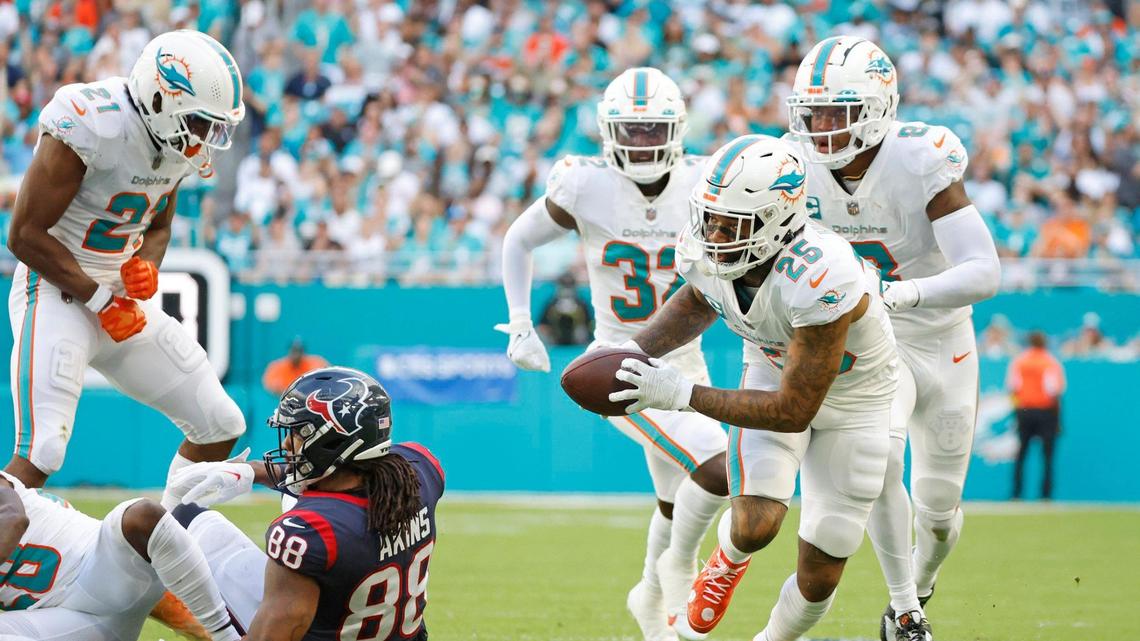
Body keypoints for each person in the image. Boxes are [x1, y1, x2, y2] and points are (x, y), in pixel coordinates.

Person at [610, 135, 898, 641]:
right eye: (711, 218)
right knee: (754, 525)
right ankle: (725, 562)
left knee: (824, 562)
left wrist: (682, 393)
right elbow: (699, 300)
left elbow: (793, 411)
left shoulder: (821, 273)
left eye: (732, 224)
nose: (716, 233)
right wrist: (628, 354)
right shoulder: (709, 247)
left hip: (856, 402)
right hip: (770, 369)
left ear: (778, 221)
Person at [496, 67, 729, 640]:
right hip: (619, 361)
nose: (643, 143)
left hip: (687, 359)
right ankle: (677, 574)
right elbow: (518, 239)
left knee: (676, 500)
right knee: (721, 463)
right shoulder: (585, 182)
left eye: (654, 131)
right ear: (608, 131)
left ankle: (648, 601)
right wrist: (521, 324)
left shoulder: (707, 179)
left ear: (676, 131)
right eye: (633, 130)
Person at [784, 36, 1001, 640]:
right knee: (878, 456)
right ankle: (906, 611)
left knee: (938, 512)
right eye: (813, 112)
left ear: (878, 107)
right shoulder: (793, 169)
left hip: (943, 338)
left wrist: (906, 294)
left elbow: (985, 270)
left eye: (837, 111)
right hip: (878, 342)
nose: (821, 127)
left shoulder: (918, 158)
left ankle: (921, 583)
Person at [4, 29, 247, 511]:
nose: (203, 138)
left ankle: (166, 559)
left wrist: (146, 268)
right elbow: (25, 234)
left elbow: (159, 222)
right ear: (161, 99)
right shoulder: (93, 121)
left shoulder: (174, 142)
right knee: (42, 451)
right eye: (197, 122)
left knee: (221, 424)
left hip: (119, 302)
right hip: (57, 292)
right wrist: (101, 299)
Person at [166, 367, 444, 641]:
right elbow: (345, 473)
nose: (287, 443)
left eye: (298, 432)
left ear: (332, 441)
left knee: (179, 519)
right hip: (397, 631)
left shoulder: (311, 530)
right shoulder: (419, 471)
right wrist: (253, 471)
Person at [0, 472, 242, 641]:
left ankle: (228, 637)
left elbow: (13, 518)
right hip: (63, 620)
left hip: (103, 567)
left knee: (142, 514)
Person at [1007, 332, 1065, 500]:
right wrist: (1058, 419)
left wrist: (1017, 413)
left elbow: (1013, 387)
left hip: (1024, 411)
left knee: (1021, 454)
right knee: (1047, 456)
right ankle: (1045, 494)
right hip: (1046, 411)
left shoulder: (1019, 361)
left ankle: (1016, 493)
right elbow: (1054, 390)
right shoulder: (1050, 362)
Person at [537, 271, 593, 346]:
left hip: (578, 341)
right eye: (564, 285)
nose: (567, 290)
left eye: (569, 286)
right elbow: (542, 325)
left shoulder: (581, 303)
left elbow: (589, 323)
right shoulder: (552, 303)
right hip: (555, 341)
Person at [262, 336, 330, 395]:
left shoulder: (317, 364)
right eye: (294, 351)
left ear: (303, 352)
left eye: (299, 351)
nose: (296, 354)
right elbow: (271, 387)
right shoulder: (276, 367)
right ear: (289, 351)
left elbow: (329, 378)